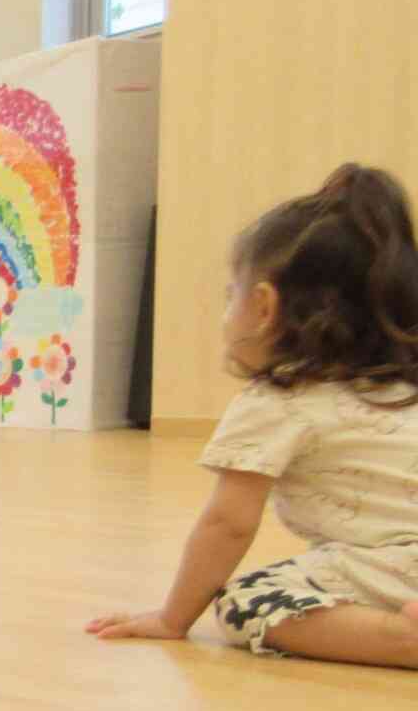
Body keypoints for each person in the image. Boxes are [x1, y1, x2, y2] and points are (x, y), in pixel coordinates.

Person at [87, 163, 418, 668]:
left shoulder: (277, 403)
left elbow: (229, 525)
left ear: (263, 307)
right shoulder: (403, 389)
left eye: (229, 298)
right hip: (390, 564)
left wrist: (173, 618)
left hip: (397, 566)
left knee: (248, 599)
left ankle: (401, 637)